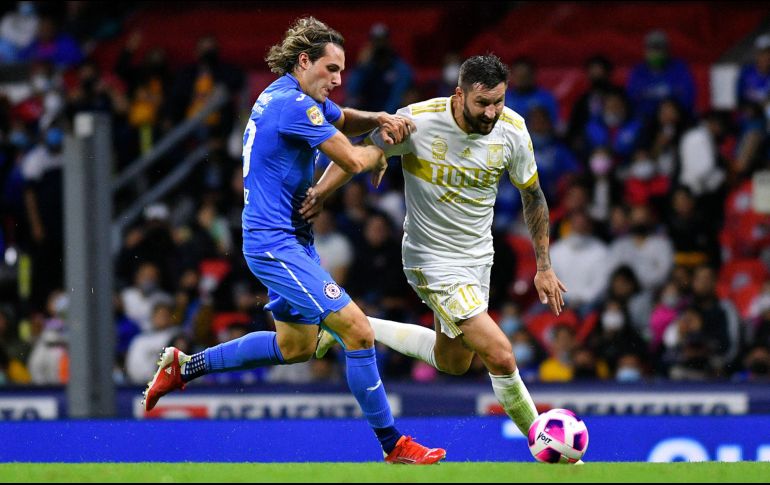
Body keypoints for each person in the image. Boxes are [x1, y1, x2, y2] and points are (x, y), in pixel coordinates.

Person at [141, 17, 444, 465]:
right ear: (305, 61)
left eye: (342, 72)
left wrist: (376, 118)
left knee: (295, 347)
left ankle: (185, 367)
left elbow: (344, 118)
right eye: (332, 70)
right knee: (357, 332)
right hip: (274, 244)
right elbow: (356, 159)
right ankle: (393, 444)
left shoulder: (280, 94)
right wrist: (384, 141)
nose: (339, 81)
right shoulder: (296, 108)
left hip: (289, 241)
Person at [305, 55, 569, 452]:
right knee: (499, 353)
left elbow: (532, 195)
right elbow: (361, 153)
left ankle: (351, 326)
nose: (492, 112)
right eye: (483, 103)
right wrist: (320, 194)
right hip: (431, 260)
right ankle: (545, 444)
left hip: (479, 258)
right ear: (459, 94)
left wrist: (544, 267)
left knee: (454, 362)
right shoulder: (418, 121)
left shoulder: (512, 130)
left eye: (498, 101)